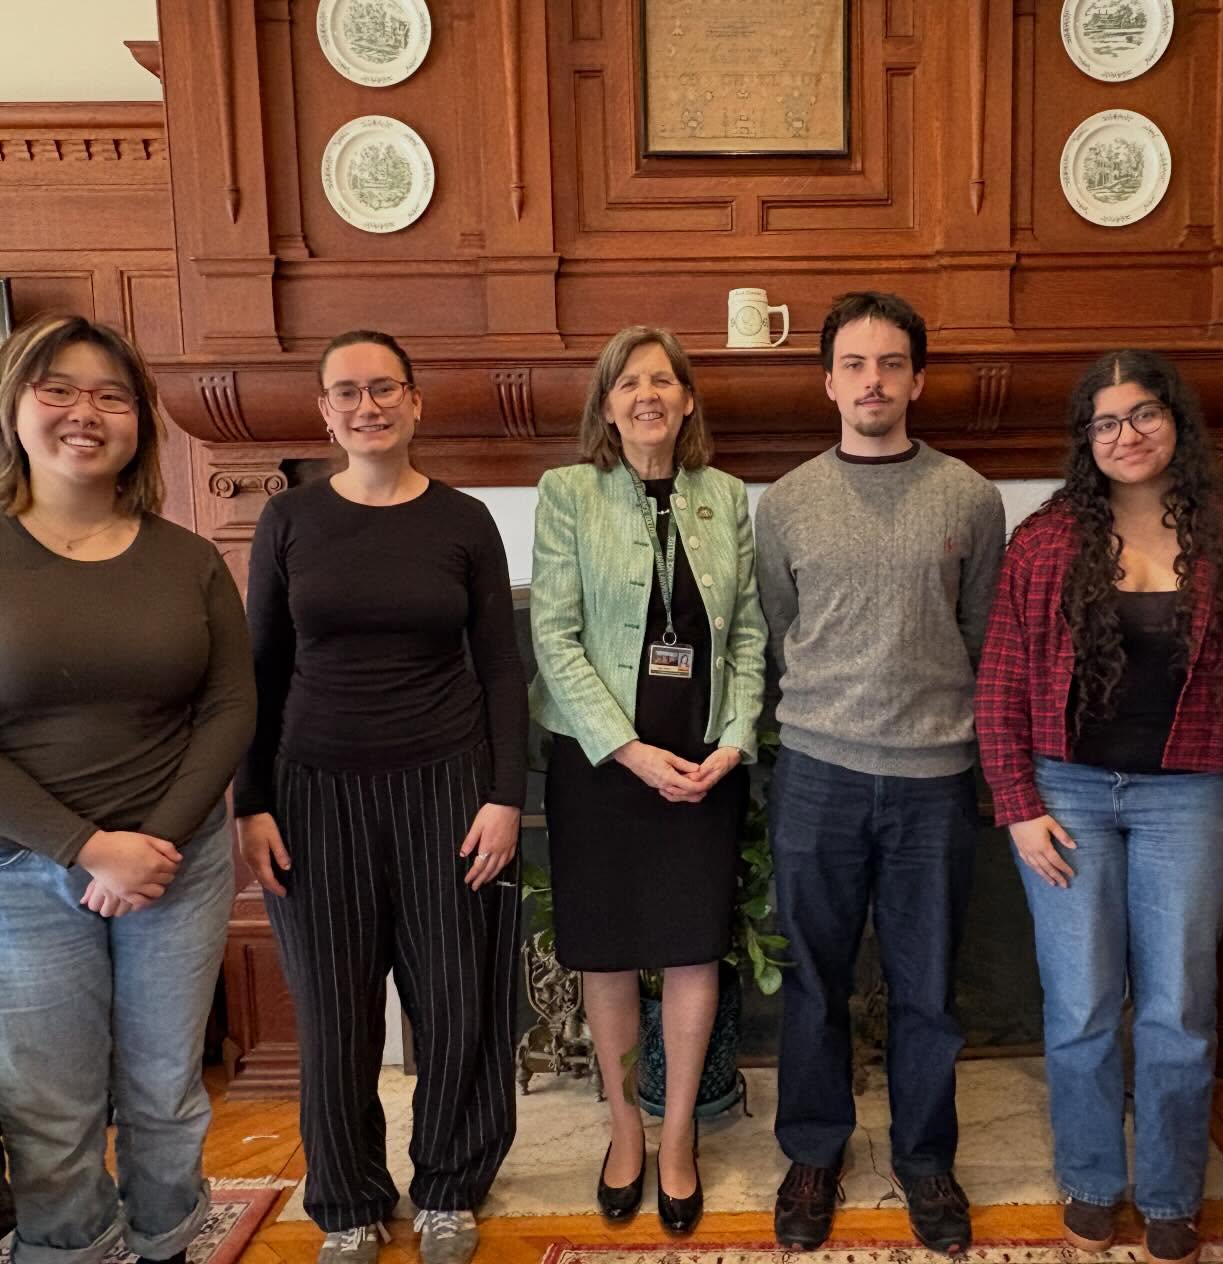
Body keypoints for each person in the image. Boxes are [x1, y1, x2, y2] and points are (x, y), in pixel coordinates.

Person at [975, 349, 1223, 1264]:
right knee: (1080, 1004)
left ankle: (1174, 1191)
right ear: (1086, 440)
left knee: (1182, 1007)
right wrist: (1019, 804)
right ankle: (1095, 1181)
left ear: (1174, 421)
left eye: (1143, 414)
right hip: (1066, 793)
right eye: (1105, 422)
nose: (1126, 435)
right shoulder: (1045, 540)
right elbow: (998, 683)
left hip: (1191, 795)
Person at [233, 331, 528, 1264]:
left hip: (448, 790)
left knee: (453, 1002)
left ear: (415, 402)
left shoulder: (463, 520)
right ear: (324, 411)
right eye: (348, 392)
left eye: (385, 388)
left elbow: (502, 674)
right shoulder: (289, 522)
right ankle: (349, 1200)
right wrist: (252, 803)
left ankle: (448, 1186)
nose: (368, 406)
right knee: (335, 1011)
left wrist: (506, 796)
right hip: (314, 798)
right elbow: (260, 670)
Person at [0, 315, 256, 1264]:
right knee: (49, 1106)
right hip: (23, 875)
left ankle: (166, 1247)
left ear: (139, 421)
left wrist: (151, 844)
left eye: (111, 394)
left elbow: (231, 709)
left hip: (174, 866)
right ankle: (68, 1251)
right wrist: (86, 847)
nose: (85, 412)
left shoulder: (186, 560)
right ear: (17, 403)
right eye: (58, 388)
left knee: (164, 1091)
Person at [754, 291, 1005, 1256]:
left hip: (935, 780)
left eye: (891, 363)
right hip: (817, 771)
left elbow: (981, 635)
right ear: (828, 382)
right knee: (813, 981)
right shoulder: (787, 503)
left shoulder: (969, 498)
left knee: (926, 985)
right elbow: (782, 633)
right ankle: (814, 1151)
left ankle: (925, 1157)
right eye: (855, 364)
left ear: (918, 380)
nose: (873, 381)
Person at [529, 325, 766, 1236]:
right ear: (608, 404)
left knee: (692, 947)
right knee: (610, 952)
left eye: (663, 380)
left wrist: (735, 741)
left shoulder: (726, 496)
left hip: (704, 768)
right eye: (629, 383)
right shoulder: (568, 494)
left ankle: (676, 1142)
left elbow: (747, 635)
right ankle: (624, 1130)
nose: (647, 395)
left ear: (688, 400)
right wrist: (628, 750)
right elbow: (553, 635)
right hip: (603, 767)